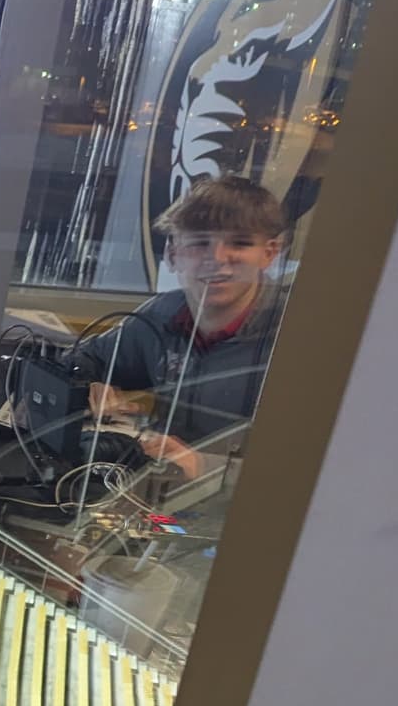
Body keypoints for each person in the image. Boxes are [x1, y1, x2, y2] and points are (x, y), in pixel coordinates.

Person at [72, 175, 287, 480]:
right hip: (154, 487)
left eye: (239, 243)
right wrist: (91, 385)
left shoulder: (295, 338)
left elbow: (307, 470)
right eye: (200, 243)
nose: (217, 259)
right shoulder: (162, 315)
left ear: (270, 253)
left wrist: (205, 468)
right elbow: (82, 361)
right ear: (173, 254)